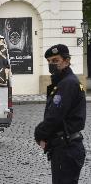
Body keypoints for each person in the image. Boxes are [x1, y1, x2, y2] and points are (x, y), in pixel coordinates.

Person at [34, 44, 86, 184]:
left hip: (67, 149)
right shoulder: (63, 82)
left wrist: (39, 133)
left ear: (66, 61)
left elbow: (55, 116)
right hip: (65, 147)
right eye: (49, 62)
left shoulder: (68, 83)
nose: (51, 64)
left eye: (55, 60)